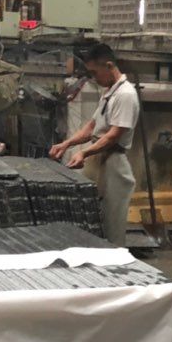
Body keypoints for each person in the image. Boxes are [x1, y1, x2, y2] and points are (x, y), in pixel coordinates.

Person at [49, 43, 139, 246]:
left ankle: (113, 261)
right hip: (99, 159)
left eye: (94, 72)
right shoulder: (109, 92)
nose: (93, 78)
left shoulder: (125, 95)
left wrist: (84, 153)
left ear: (109, 66)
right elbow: (92, 127)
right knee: (92, 217)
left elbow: (112, 136)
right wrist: (67, 144)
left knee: (112, 224)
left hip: (114, 163)